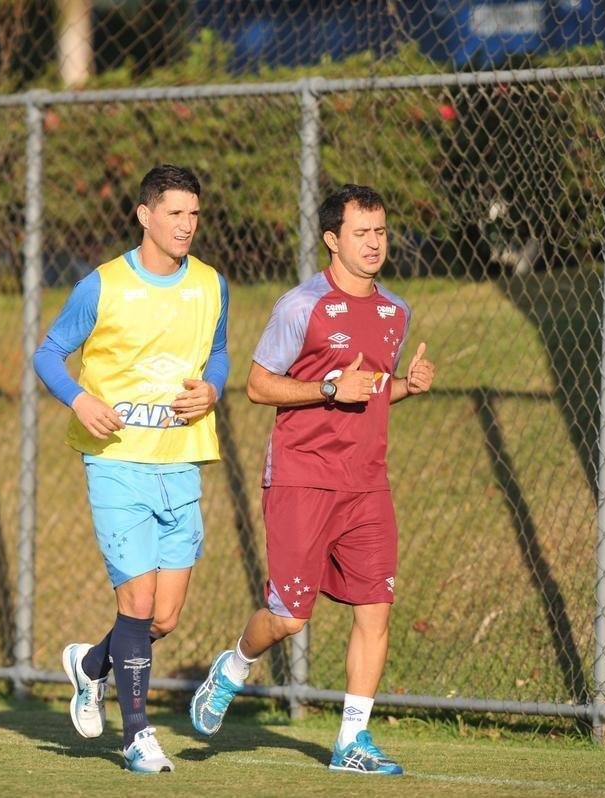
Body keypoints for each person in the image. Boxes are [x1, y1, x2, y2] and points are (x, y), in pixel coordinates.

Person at [188, 183, 434, 775]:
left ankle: (352, 741)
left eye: (380, 232)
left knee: (375, 609)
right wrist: (328, 387)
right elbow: (257, 385)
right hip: (302, 478)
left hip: (368, 485)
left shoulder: (395, 311)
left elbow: (369, 392)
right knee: (290, 616)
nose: (374, 244)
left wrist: (407, 386)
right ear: (332, 240)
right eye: (361, 234)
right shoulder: (302, 306)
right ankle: (233, 667)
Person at [33, 164, 230, 774]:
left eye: (193, 215)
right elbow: (48, 353)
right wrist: (81, 399)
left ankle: (91, 666)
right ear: (144, 215)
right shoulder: (102, 286)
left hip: (180, 464)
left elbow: (218, 352)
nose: (186, 226)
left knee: (161, 618)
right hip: (116, 462)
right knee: (138, 604)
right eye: (174, 213)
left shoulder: (211, 285)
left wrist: (213, 390)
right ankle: (137, 737)